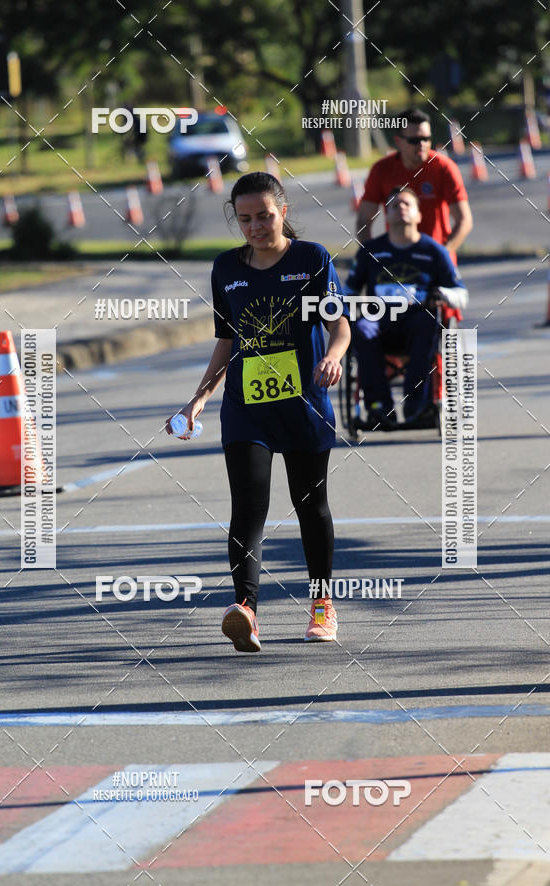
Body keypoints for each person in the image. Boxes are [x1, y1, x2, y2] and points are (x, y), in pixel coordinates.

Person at [166, 172, 351, 653]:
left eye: (264, 216)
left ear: (283, 212)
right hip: (246, 410)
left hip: (304, 405)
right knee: (248, 507)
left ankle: (321, 604)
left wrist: (333, 356)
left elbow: (341, 327)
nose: (255, 227)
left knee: (311, 506)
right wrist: (199, 397)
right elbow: (226, 343)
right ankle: (245, 609)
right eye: (245, 219)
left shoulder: (312, 259)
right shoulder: (226, 268)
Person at [346, 186, 467, 429]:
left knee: (429, 325)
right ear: (386, 215)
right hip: (378, 319)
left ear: (419, 215)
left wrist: (442, 293)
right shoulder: (371, 251)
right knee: (360, 327)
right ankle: (378, 407)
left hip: (418, 320)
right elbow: (348, 291)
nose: (400, 208)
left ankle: (418, 406)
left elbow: (461, 294)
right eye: (393, 205)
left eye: (406, 204)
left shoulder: (433, 251)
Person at [357, 109, 472, 263]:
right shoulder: (381, 170)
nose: (422, 144)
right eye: (414, 140)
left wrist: (443, 254)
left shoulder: (443, 167)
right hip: (397, 263)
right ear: (398, 141)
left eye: (426, 138)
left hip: (436, 262)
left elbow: (464, 220)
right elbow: (364, 219)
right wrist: (371, 258)